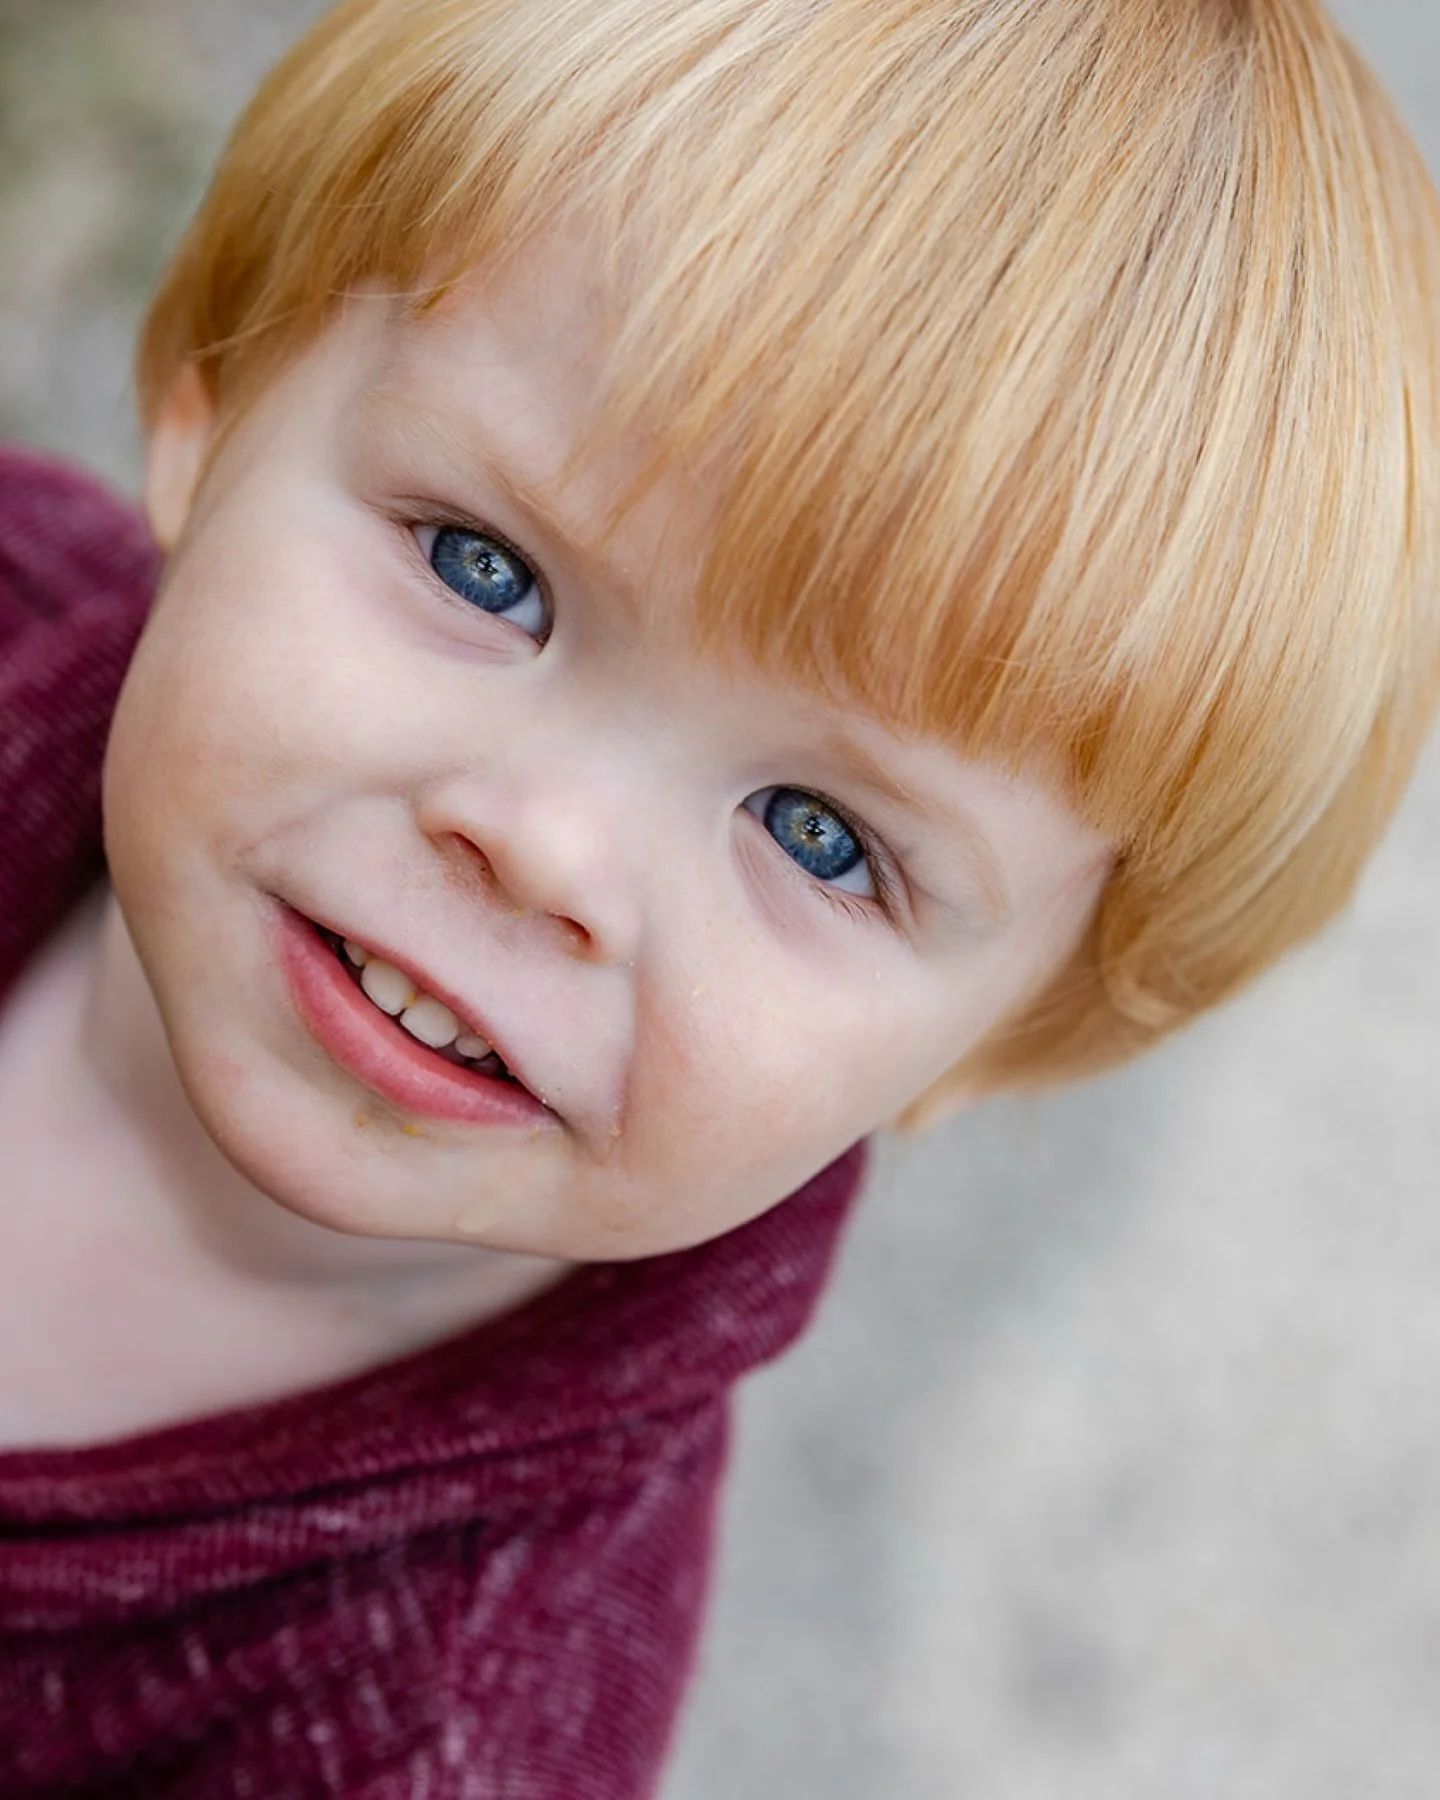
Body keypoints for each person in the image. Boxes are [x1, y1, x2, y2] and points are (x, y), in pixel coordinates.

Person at [2, 0, 1437, 1793]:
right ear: (210, 412)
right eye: (486, 568)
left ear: (1022, 1024)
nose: (549, 848)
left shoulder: (426, 1735)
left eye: (822, 835)